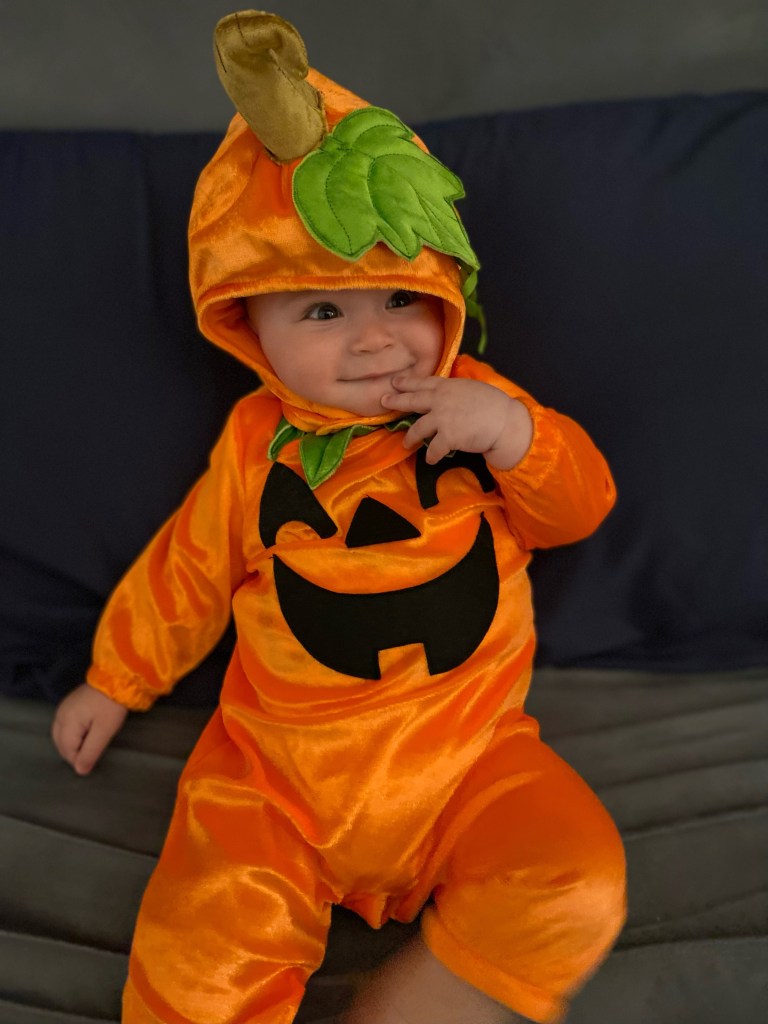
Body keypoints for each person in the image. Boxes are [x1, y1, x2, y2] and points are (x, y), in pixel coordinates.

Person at [52, 11, 626, 1024]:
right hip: (276, 781)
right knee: (199, 946)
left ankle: (410, 1006)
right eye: (323, 311)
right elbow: (189, 569)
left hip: (469, 761)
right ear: (247, 326)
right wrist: (116, 678)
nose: (374, 342)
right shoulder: (255, 444)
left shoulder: (481, 405)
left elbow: (578, 508)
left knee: (574, 873)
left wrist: (513, 435)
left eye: (399, 298)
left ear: (443, 291)